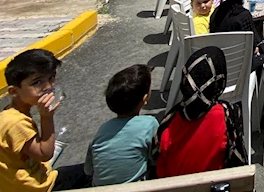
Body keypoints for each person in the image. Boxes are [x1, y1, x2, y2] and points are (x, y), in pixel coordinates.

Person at [153, 47, 246, 178]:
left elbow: (157, 166)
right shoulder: (227, 115)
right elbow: (238, 163)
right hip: (214, 184)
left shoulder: (166, 125)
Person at [0, 49, 62, 192]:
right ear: (14, 91)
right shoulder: (15, 124)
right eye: (37, 82)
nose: (48, 87)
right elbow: (45, 154)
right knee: (92, 176)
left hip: (24, 182)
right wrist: (46, 117)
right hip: (34, 189)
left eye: (51, 78)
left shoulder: (10, 113)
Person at [84, 65, 158, 187]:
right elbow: (155, 159)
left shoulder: (103, 129)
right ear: (145, 99)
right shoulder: (149, 124)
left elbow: (88, 170)